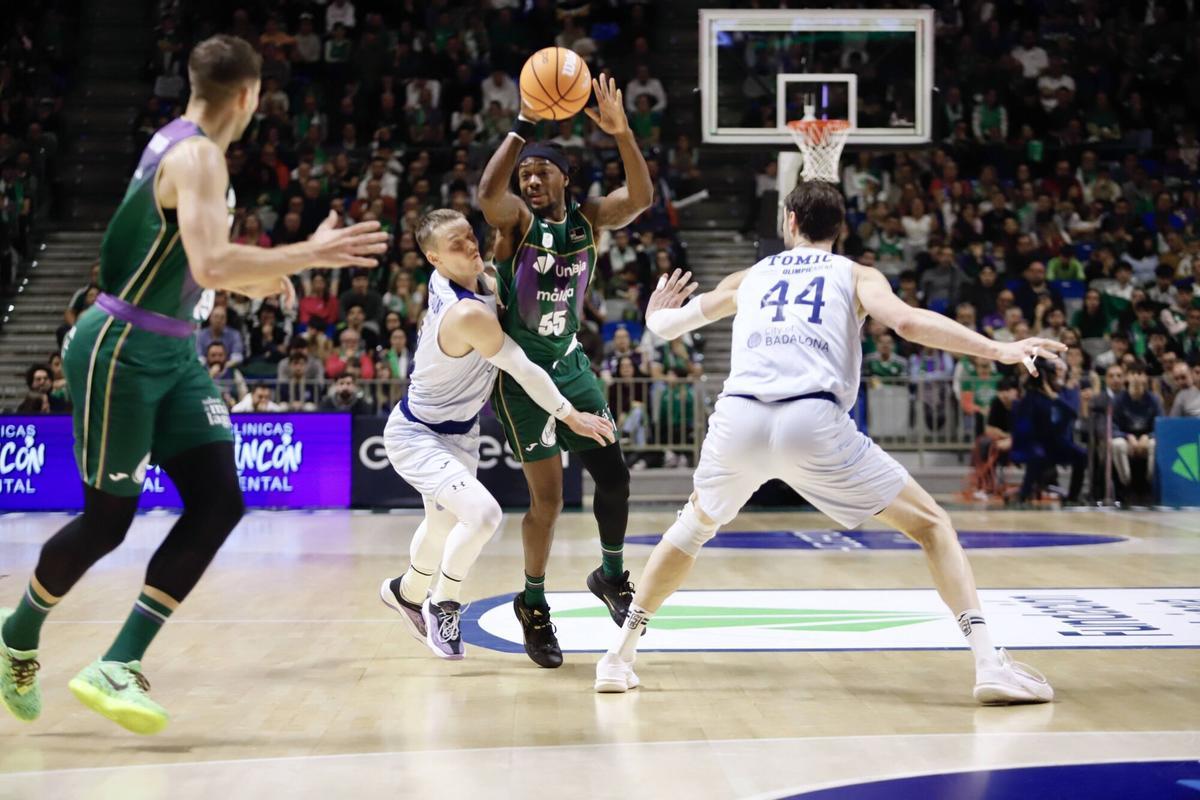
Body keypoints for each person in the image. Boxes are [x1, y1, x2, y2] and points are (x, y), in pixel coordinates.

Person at [0, 35, 387, 734]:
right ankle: (17, 633)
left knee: (219, 503)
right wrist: (308, 252)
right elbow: (209, 264)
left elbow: (195, 264)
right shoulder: (198, 156)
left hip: (173, 347)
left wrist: (269, 278)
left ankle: (118, 663)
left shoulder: (182, 144)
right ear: (249, 95)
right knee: (108, 522)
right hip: (121, 345)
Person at [594, 181, 1061, 706]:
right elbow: (909, 323)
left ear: (790, 220)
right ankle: (988, 662)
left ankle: (618, 656)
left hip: (739, 418)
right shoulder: (857, 274)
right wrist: (998, 349)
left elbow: (667, 326)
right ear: (839, 228)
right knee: (932, 525)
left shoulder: (751, 276)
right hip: (811, 420)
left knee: (693, 527)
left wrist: (655, 312)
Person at [379, 210, 613, 659]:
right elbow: (521, 366)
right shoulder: (467, 311)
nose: (470, 245)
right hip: (418, 433)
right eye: (456, 244)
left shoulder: (469, 280)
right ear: (434, 258)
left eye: (470, 235)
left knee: (442, 525)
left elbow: (491, 276)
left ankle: (405, 592)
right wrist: (570, 416)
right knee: (484, 515)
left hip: (460, 432)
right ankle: (444, 603)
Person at [478, 76, 652, 667]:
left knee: (615, 478)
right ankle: (532, 604)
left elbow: (641, 198)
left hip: (572, 366)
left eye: (541, 172)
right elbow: (488, 195)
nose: (530, 180)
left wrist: (622, 133)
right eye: (525, 174)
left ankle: (610, 574)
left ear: (565, 178)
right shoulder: (515, 225)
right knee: (548, 504)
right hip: (522, 379)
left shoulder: (588, 220)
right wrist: (522, 126)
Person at [1111, 363, 1163, 489]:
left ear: (1145, 378)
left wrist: (1148, 436)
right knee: (1117, 444)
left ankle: (1151, 484)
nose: (1136, 377)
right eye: (1132, 374)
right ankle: (1126, 484)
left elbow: (1161, 426)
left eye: (1140, 374)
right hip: (1127, 440)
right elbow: (1112, 426)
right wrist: (1127, 436)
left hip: (1146, 441)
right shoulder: (1118, 400)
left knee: (1155, 444)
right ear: (1126, 377)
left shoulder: (1154, 400)